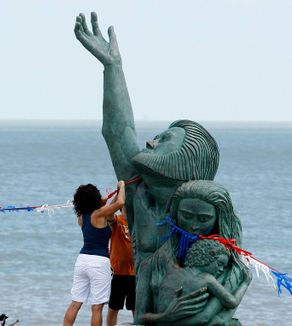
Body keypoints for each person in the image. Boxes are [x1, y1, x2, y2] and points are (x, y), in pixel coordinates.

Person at [74, 12, 220, 272]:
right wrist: (112, 68)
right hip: (148, 310)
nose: (151, 142)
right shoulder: (140, 193)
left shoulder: (200, 209)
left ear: (185, 159)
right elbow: (118, 131)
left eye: (165, 140)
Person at [135, 180, 252, 326]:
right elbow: (139, 318)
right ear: (175, 214)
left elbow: (212, 314)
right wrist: (166, 316)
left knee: (238, 272)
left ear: (218, 219)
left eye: (204, 219)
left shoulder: (228, 268)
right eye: (187, 216)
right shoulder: (151, 265)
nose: (194, 226)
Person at [55, 181, 125, 326]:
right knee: (97, 308)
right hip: (99, 262)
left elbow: (110, 207)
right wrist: (123, 187)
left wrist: (115, 192)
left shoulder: (82, 217)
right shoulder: (100, 213)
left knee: (75, 303)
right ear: (95, 198)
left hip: (82, 261)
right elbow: (119, 205)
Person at [156, 239, 246, 326]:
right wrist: (245, 282)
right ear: (206, 258)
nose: (221, 269)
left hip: (167, 318)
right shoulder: (206, 278)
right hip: (198, 320)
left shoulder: (172, 274)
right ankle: (222, 320)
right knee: (220, 318)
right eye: (219, 264)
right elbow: (232, 302)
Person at [106, 205, 135, 326]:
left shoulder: (137, 223)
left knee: (136, 308)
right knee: (113, 307)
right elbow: (109, 213)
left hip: (135, 273)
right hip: (117, 272)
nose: (127, 208)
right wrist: (119, 196)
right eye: (125, 206)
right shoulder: (116, 220)